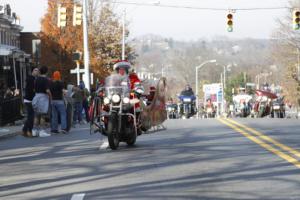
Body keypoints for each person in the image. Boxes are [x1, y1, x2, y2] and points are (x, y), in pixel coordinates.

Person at [32, 66, 52, 137]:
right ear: (46, 72)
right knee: (43, 115)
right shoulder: (45, 80)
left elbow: (34, 89)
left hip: (36, 97)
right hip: (43, 98)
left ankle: (34, 131)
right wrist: (50, 96)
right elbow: (47, 90)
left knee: (36, 115)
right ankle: (42, 131)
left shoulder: (36, 79)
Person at [22, 67, 39, 137]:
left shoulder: (34, 79)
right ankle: (29, 131)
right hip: (29, 100)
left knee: (30, 116)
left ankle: (25, 130)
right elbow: (31, 90)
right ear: (32, 71)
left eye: (38, 71)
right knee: (31, 117)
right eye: (35, 70)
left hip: (31, 100)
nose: (37, 72)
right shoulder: (30, 79)